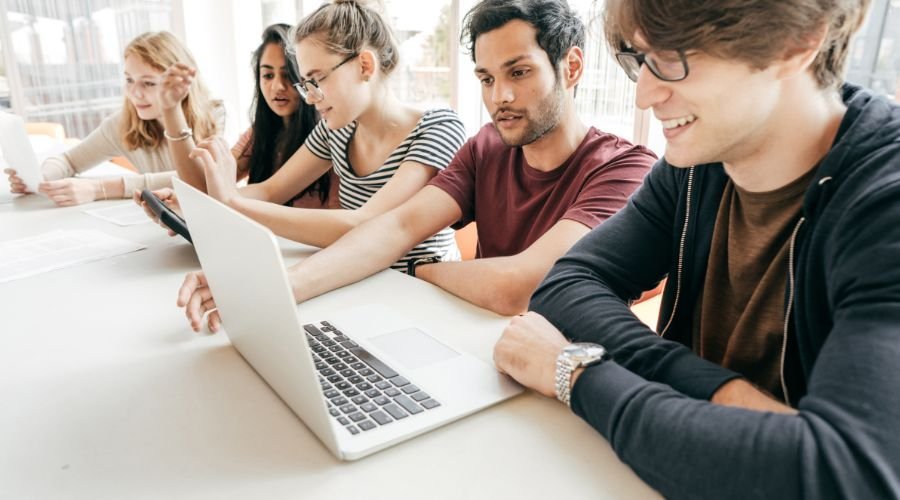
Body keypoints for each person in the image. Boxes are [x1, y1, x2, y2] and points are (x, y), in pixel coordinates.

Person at [493, 0, 900, 497]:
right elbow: (565, 286)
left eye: (672, 59)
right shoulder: (696, 166)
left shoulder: (884, 200)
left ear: (797, 41)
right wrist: (722, 392)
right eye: (638, 60)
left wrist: (576, 374)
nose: (643, 95)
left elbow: (844, 474)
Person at [177, 0, 656, 332]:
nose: (499, 97)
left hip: (574, 379)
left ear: (571, 68)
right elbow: (393, 227)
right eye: (486, 78)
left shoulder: (627, 169)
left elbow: (518, 286)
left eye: (519, 72)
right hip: (481, 345)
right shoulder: (487, 147)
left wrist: (421, 271)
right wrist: (272, 287)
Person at [185, 0, 465, 267]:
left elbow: (365, 223)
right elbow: (271, 191)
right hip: (360, 277)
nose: (309, 98)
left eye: (317, 80)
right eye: (307, 83)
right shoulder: (337, 130)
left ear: (365, 65)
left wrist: (232, 204)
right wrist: (194, 202)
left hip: (423, 288)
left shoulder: (438, 128)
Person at [135, 23, 337, 227]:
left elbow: (259, 194)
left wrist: (204, 203)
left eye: (288, 75)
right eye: (267, 75)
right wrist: (171, 109)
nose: (277, 86)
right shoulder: (260, 134)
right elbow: (207, 186)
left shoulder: (328, 131)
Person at [4, 31, 221, 206]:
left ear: (181, 83)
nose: (134, 93)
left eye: (148, 83)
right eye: (129, 79)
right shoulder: (123, 124)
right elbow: (68, 161)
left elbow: (198, 182)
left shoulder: (216, 115)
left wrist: (99, 189)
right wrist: (40, 179)